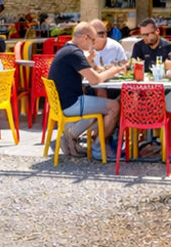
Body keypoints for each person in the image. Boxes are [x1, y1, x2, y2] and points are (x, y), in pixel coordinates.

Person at [48, 22, 127, 156]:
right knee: (113, 107)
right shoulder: (75, 53)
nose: (94, 44)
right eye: (93, 40)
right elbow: (95, 80)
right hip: (71, 103)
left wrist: (89, 60)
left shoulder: (67, 50)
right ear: (85, 38)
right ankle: (97, 146)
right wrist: (116, 69)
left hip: (62, 102)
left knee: (102, 103)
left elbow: (86, 71)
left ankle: (72, 135)